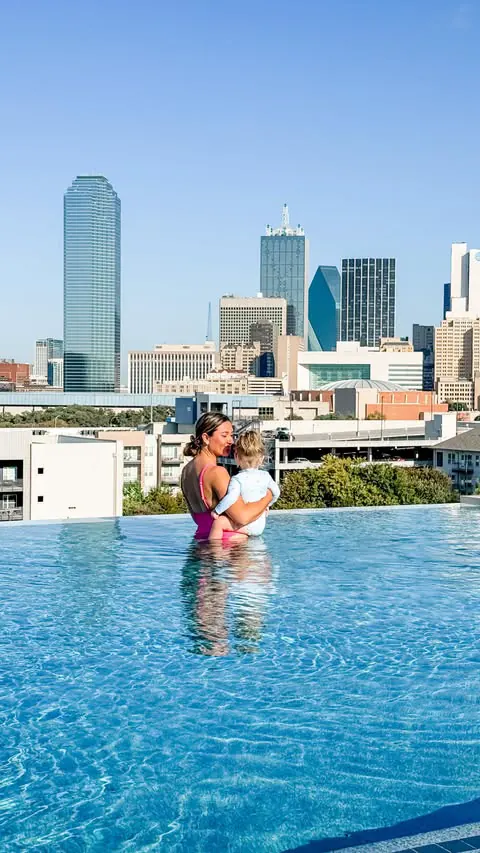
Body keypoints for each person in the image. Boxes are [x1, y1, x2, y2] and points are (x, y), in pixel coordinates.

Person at [181, 412, 273, 542]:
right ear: (206, 438)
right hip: (231, 548)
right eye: (225, 435)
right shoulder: (217, 473)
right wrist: (268, 496)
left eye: (232, 435)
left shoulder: (186, 471)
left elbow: (200, 518)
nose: (231, 441)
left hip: (201, 541)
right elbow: (242, 517)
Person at [209, 430, 280, 540]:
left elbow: (231, 498)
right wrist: (267, 505)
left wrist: (216, 511)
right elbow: (276, 492)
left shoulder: (237, 479)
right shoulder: (266, 476)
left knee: (218, 523)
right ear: (261, 458)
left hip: (247, 525)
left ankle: (214, 553)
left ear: (236, 457)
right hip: (260, 525)